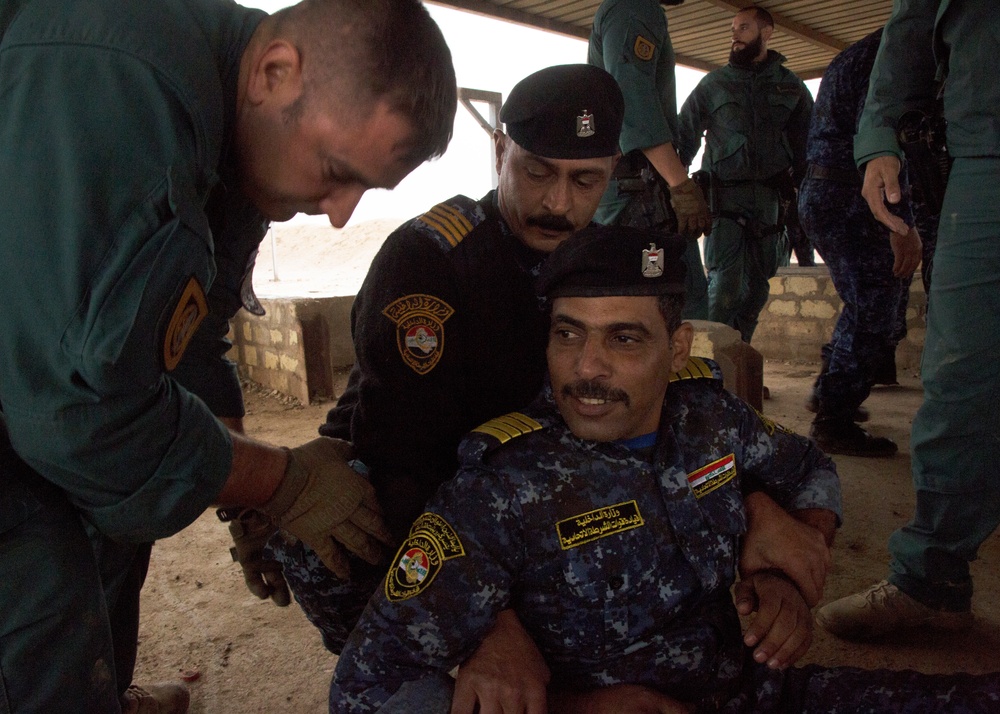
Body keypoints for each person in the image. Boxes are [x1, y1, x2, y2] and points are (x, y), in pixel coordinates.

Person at [238, 64, 831, 714]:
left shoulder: (600, 256)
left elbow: (681, 423)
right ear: (499, 151)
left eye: (584, 181)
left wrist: (755, 502)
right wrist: (486, 625)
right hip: (406, 471)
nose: (557, 203)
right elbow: (403, 459)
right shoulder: (433, 260)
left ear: (611, 171)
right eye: (538, 172)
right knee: (352, 565)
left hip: (518, 481)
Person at [329, 224, 1000, 713]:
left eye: (624, 338)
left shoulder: (710, 419)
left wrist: (788, 566)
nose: (587, 368)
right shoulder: (502, 487)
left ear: (678, 348)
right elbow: (368, 685)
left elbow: (808, 468)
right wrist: (570, 708)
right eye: (568, 333)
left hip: (759, 694)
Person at [0, 0, 456, 711]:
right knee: (39, 564)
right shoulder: (118, 82)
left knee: (117, 525)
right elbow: (77, 417)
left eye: (366, 189)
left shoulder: (243, 148)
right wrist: (279, 481)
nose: (340, 214)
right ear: (275, 71)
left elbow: (185, 341)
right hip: (30, 396)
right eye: (336, 170)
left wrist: (244, 505)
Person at [818, 0, 1000, 640]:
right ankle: (932, 580)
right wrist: (880, 143)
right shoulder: (857, 59)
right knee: (961, 370)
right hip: (985, 154)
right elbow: (911, 34)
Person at [799, 28, 926, 458]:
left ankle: (829, 393)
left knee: (863, 305)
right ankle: (832, 421)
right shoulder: (892, 58)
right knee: (874, 312)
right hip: (856, 198)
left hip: (828, 192)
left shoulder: (860, 53)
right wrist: (902, 225)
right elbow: (882, 151)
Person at [676, 5, 812, 343]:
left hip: (770, 201)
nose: (735, 35)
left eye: (744, 28)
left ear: (766, 33)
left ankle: (738, 357)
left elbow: (809, 149)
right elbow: (684, 138)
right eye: (733, 29)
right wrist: (677, 189)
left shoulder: (791, 87)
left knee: (756, 291)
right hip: (724, 199)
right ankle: (707, 360)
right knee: (725, 288)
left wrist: (807, 202)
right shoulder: (714, 84)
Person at [587, 0, 712, 320]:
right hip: (641, 190)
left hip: (632, 186)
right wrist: (680, 184)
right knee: (681, 309)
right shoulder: (635, 8)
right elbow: (634, 101)